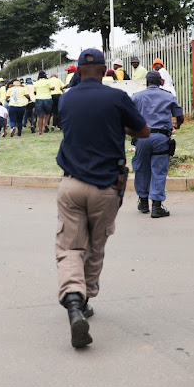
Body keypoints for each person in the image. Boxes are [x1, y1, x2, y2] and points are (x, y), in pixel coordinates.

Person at [55, 48, 150, 348]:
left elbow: (72, 126)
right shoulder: (117, 98)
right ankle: (85, 301)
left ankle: (73, 302)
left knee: (70, 246)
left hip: (70, 185)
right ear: (107, 70)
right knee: (96, 246)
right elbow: (144, 131)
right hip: (106, 187)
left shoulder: (66, 99)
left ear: (78, 71)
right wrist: (118, 126)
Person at [131, 71, 185, 218]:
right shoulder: (168, 96)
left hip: (142, 137)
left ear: (146, 82)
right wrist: (178, 124)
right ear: (161, 82)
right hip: (161, 137)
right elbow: (179, 115)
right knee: (159, 170)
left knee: (141, 168)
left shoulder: (136, 97)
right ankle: (156, 206)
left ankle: (143, 202)